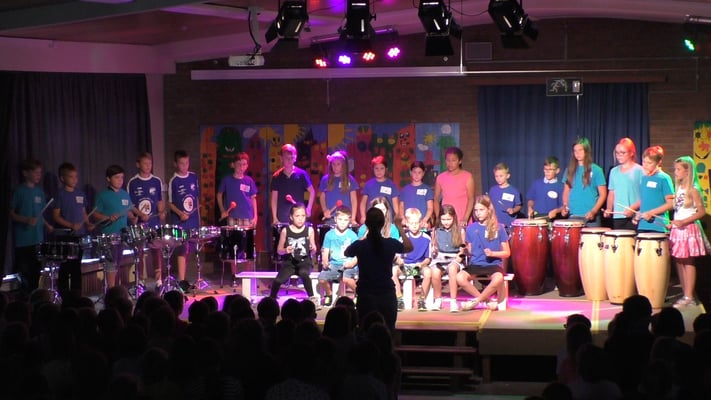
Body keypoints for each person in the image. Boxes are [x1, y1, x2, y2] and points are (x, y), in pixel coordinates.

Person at [344, 207, 413, 332]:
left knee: (365, 331)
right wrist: (400, 227)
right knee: (389, 330)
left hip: (366, 294)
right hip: (386, 293)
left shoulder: (361, 245)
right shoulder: (390, 243)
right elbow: (409, 247)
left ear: (367, 224)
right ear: (383, 224)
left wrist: (364, 236)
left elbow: (347, 252)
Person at [455, 194, 510, 312]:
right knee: (459, 277)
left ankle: (475, 302)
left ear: (488, 210)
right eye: (476, 210)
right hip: (476, 264)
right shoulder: (471, 228)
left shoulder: (499, 228)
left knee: (498, 278)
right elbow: (470, 251)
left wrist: (493, 254)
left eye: (481, 210)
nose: (478, 213)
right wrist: (464, 247)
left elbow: (507, 253)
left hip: (493, 264)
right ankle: (486, 301)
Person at [669, 156, 707, 307]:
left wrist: (683, 222)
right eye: (675, 169)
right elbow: (679, 210)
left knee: (688, 261)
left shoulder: (693, 189)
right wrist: (674, 223)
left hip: (688, 228)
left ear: (687, 171)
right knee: (679, 261)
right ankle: (685, 293)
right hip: (678, 228)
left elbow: (701, 212)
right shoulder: (679, 188)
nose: (676, 172)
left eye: (678, 169)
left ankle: (689, 296)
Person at [52, 162, 94, 298]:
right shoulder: (59, 194)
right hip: (65, 235)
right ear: (62, 178)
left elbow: (83, 212)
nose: (75, 179)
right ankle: (64, 296)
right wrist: (70, 225)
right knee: (65, 267)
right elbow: (56, 216)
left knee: (76, 266)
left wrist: (88, 223)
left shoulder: (80, 194)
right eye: (71, 177)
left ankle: (77, 295)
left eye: (76, 176)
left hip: (79, 235)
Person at [10, 159, 51, 293]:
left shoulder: (39, 192)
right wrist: (26, 219)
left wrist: (47, 225)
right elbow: (11, 213)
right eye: (36, 172)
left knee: (36, 275)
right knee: (25, 276)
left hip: (37, 239)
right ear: (25, 173)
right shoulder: (19, 191)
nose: (39, 175)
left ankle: (34, 300)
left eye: (40, 172)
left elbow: (40, 215)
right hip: (23, 241)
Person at [126, 152, 165, 285]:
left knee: (156, 249)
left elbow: (159, 200)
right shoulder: (133, 182)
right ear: (138, 164)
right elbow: (130, 204)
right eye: (145, 163)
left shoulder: (156, 181)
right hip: (139, 224)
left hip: (154, 222)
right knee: (139, 251)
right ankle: (141, 280)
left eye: (150, 163)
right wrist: (140, 214)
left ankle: (159, 280)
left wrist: (161, 212)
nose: (148, 166)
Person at [356, 197, 403, 309]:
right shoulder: (363, 229)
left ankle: (398, 298)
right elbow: (357, 249)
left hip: (388, 262)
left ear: (387, 211)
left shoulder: (392, 228)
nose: (380, 213)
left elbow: (396, 251)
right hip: (369, 262)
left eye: (383, 209)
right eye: (377, 210)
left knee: (392, 271)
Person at [93, 164, 133, 288]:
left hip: (122, 234)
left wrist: (133, 217)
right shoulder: (102, 195)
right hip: (109, 234)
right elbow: (94, 213)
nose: (120, 180)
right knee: (111, 263)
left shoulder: (125, 194)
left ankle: (112, 288)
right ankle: (111, 291)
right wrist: (107, 217)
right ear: (108, 179)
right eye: (117, 177)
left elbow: (128, 211)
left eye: (122, 177)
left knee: (117, 263)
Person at [270, 203, 318, 303]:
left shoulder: (309, 230)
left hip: (304, 262)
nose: (300, 219)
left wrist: (312, 248)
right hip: (289, 263)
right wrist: (285, 250)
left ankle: (312, 298)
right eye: (297, 216)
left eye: (303, 216)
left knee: (304, 274)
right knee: (278, 280)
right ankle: (271, 298)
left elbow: (314, 250)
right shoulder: (285, 231)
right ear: (291, 217)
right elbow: (279, 250)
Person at [168, 150, 200, 289]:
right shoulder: (173, 181)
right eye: (181, 163)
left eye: (187, 163)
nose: (185, 166)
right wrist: (180, 214)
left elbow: (196, 199)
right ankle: (181, 280)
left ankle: (185, 279)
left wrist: (198, 219)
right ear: (175, 164)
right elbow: (170, 203)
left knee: (189, 250)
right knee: (182, 249)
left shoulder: (193, 177)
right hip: (180, 221)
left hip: (193, 220)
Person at [317, 206, 358, 307]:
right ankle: (329, 294)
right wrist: (325, 261)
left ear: (349, 221)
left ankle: (358, 293)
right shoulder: (329, 235)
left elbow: (357, 253)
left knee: (346, 278)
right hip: (334, 264)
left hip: (349, 264)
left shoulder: (352, 235)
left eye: (345, 220)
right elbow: (325, 250)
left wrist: (352, 263)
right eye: (340, 219)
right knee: (322, 278)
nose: (342, 222)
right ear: (335, 219)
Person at [561, 137, 607, 227]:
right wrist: (565, 207)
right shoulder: (569, 170)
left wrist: (594, 211)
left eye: (580, 150)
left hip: (590, 217)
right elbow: (566, 191)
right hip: (573, 216)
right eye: (575, 151)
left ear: (586, 151)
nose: (577, 153)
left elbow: (603, 194)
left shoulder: (596, 170)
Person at [394, 208, 432, 311]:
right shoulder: (403, 238)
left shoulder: (427, 239)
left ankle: (421, 300)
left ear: (420, 223)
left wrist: (421, 264)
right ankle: (399, 299)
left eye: (416, 223)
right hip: (405, 268)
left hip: (418, 268)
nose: (414, 226)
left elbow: (428, 259)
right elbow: (397, 256)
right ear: (407, 224)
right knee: (393, 271)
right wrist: (399, 260)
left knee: (428, 272)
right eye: (411, 223)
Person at [431, 204, 467, 312]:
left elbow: (462, 250)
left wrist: (458, 259)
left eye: (448, 219)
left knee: (452, 269)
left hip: (455, 259)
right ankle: (438, 300)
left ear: (453, 218)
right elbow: (434, 247)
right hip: (440, 258)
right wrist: (434, 250)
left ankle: (453, 301)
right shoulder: (436, 231)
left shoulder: (460, 230)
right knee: (435, 272)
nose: (446, 222)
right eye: (443, 219)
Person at [604, 138, 644, 230]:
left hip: (635, 216)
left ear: (631, 153)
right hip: (618, 216)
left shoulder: (640, 170)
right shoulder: (614, 171)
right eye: (617, 153)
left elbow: (645, 195)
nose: (619, 156)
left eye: (622, 153)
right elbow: (612, 193)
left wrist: (633, 208)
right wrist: (609, 208)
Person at [270, 144, 315, 224]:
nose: (289, 160)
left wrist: (308, 208)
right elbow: (274, 198)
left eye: (291, 158)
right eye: (287, 158)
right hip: (282, 218)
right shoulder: (276, 176)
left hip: (298, 218)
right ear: (281, 158)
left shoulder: (301, 174)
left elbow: (312, 191)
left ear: (295, 158)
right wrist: (274, 217)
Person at [635, 145, 674, 233]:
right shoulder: (644, 178)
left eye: (649, 163)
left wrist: (652, 213)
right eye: (644, 162)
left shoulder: (664, 178)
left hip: (658, 226)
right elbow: (646, 201)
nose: (645, 165)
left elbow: (671, 204)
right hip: (643, 225)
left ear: (659, 162)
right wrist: (639, 214)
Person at [434, 146, 475, 228]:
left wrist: (465, 218)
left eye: (453, 160)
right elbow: (436, 199)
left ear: (460, 161)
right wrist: (439, 217)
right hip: (446, 219)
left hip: (462, 219)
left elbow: (471, 199)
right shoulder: (440, 177)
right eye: (448, 160)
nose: (450, 163)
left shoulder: (467, 177)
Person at [218, 152, 258, 227]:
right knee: (233, 235)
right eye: (239, 164)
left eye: (244, 164)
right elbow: (219, 195)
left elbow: (253, 199)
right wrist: (222, 210)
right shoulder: (227, 180)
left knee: (248, 235)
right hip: (233, 216)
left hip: (247, 217)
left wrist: (255, 216)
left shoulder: (249, 180)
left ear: (247, 166)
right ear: (233, 165)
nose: (241, 167)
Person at [319, 150, 358, 225]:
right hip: (331, 219)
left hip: (346, 219)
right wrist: (325, 209)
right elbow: (322, 197)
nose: (335, 167)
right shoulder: (325, 179)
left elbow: (354, 200)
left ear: (343, 165)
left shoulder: (350, 179)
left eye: (338, 164)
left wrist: (353, 218)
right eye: (333, 164)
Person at [359, 155, 400, 225]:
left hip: (388, 220)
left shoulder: (391, 185)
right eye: (376, 168)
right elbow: (363, 203)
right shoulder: (368, 184)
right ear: (373, 169)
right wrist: (363, 216)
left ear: (386, 169)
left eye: (382, 168)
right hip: (372, 219)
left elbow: (395, 204)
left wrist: (397, 217)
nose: (379, 171)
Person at [398, 160, 434, 228]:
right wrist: (403, 218)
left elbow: (430, 208)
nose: (417, 175)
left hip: (422, 224)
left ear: (423, 173)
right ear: (410, 172)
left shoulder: (427, 189)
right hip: (409, 224)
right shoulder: (405, 189)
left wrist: (425, 220)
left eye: (419, 172)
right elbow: (401, 206)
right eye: (414, 172)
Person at [488, 162, 522, 231]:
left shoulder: (514, 191)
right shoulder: (492, 190)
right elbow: (489, 205)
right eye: (496, 176)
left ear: (508, 176)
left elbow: (518, 206)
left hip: (508, 225)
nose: (498, 178)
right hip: (494, 224)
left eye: (501, 176)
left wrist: (513, 210)